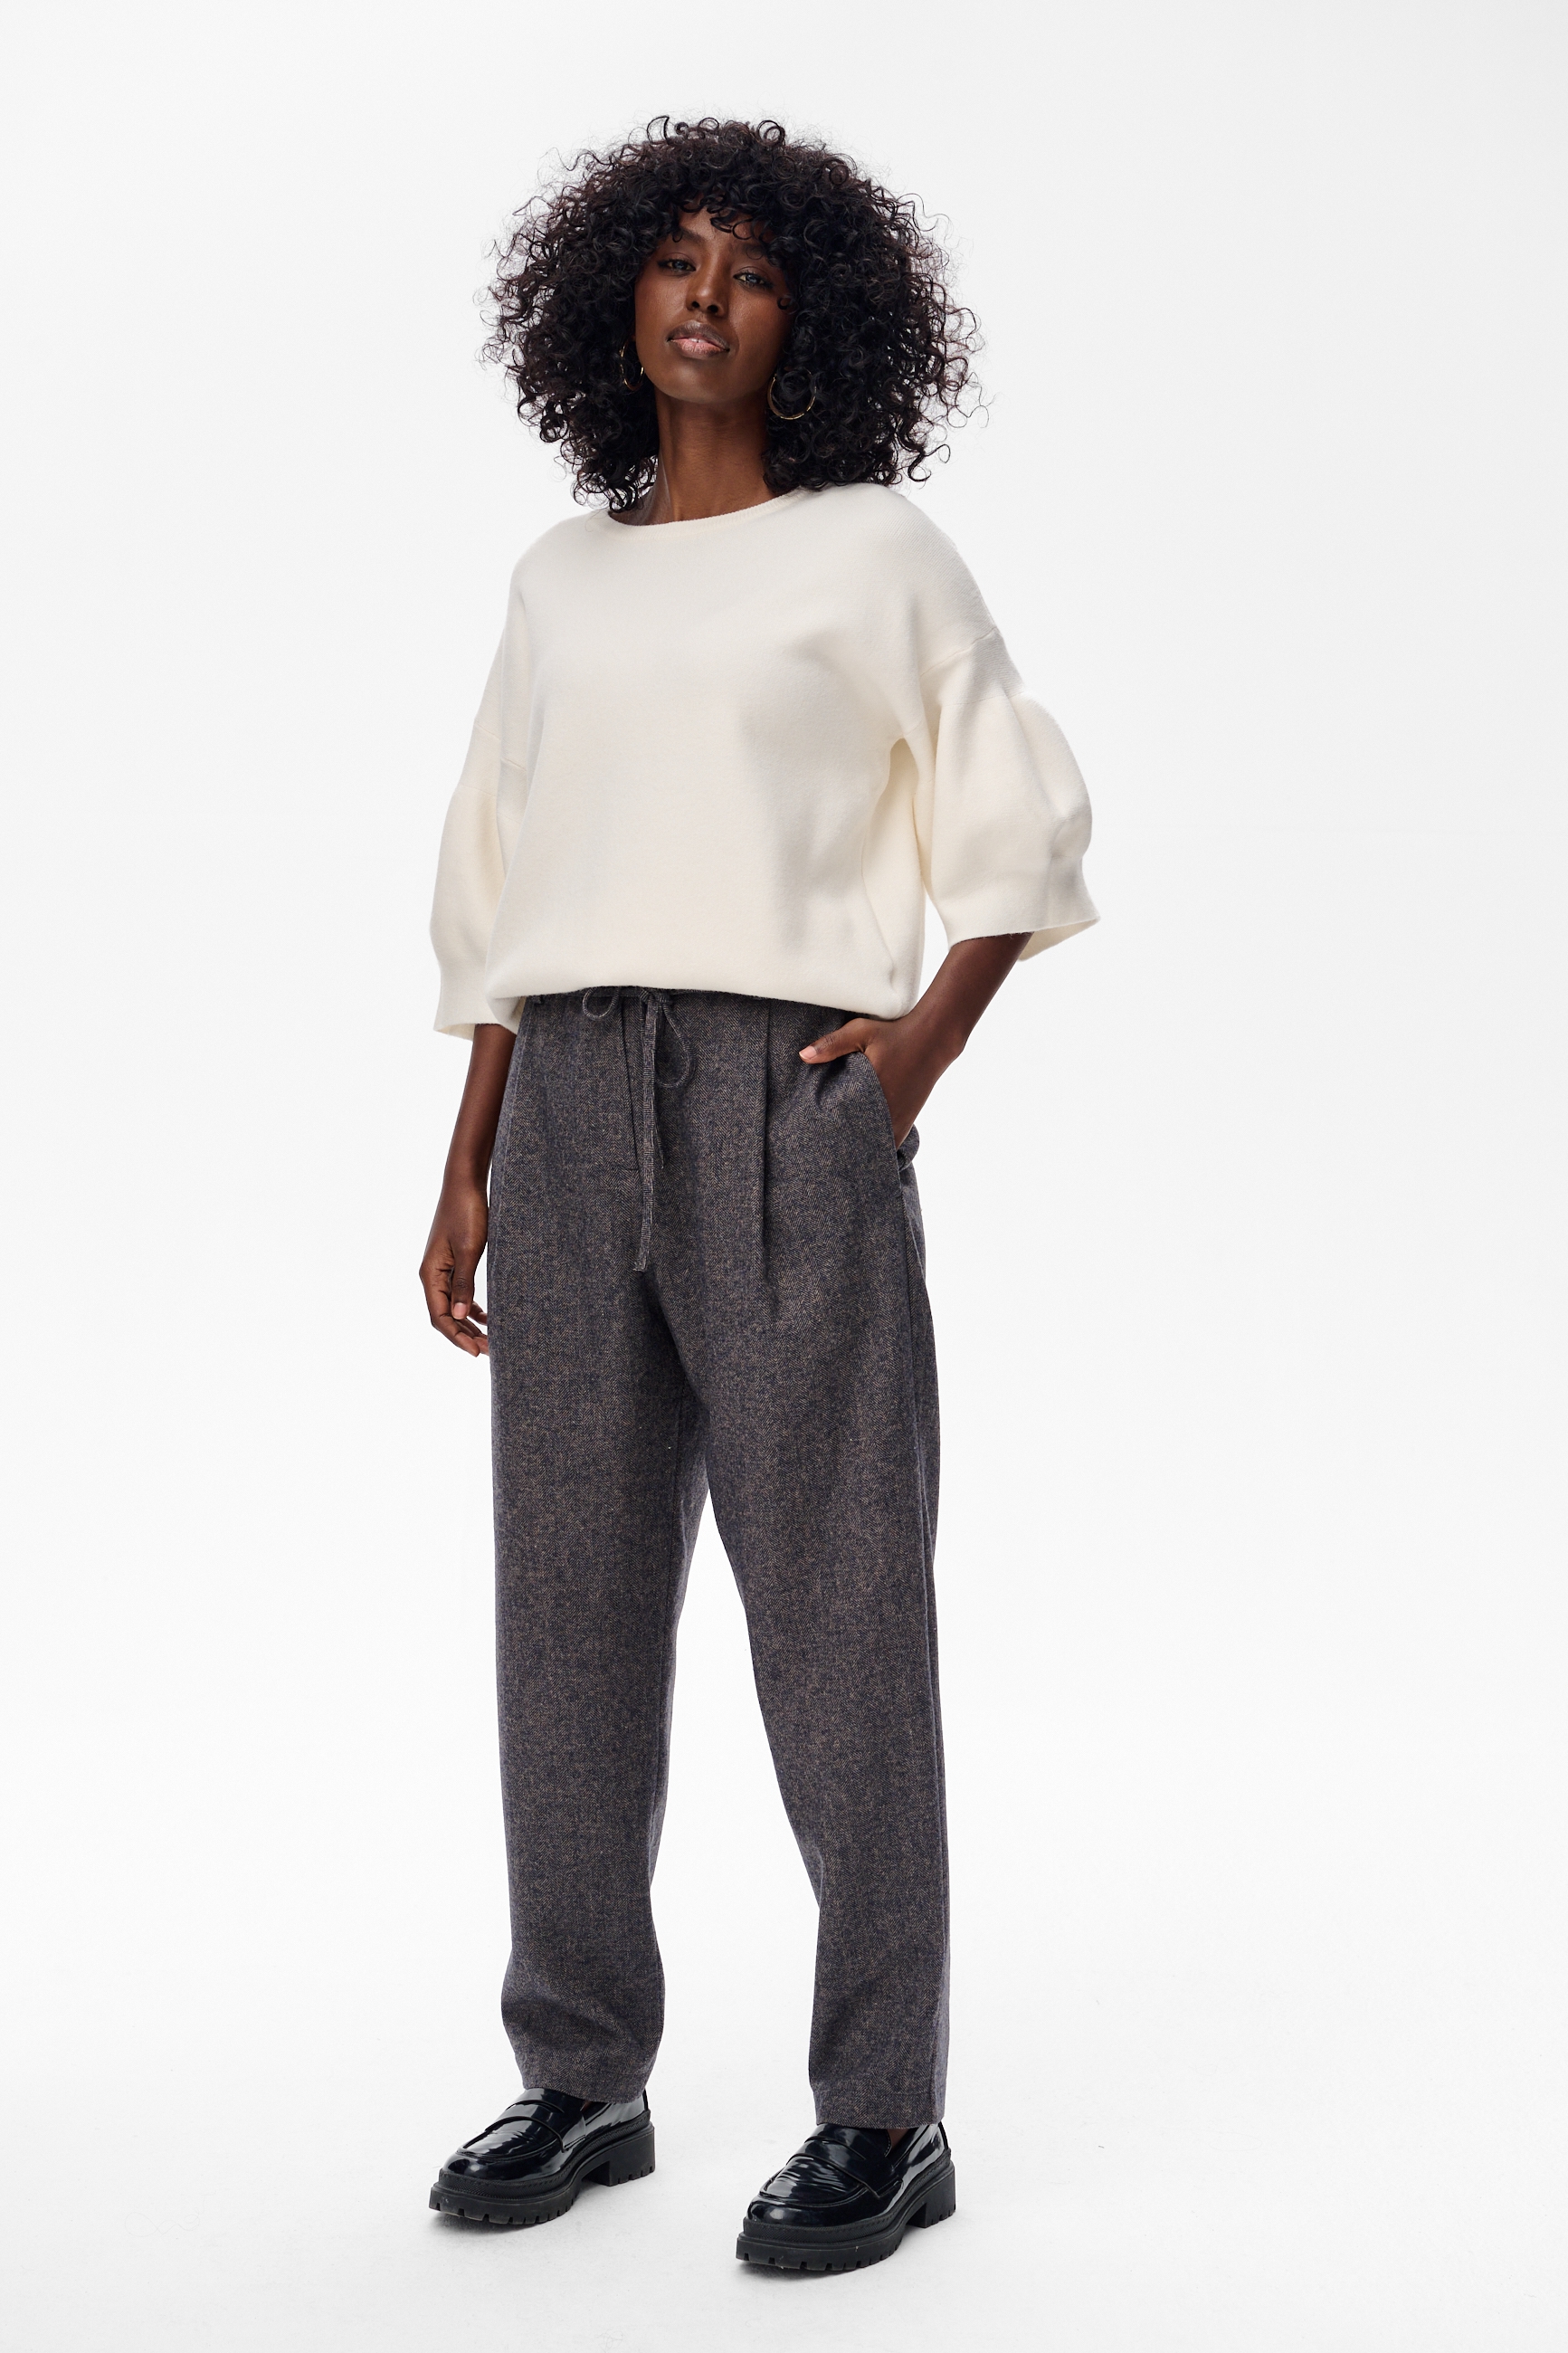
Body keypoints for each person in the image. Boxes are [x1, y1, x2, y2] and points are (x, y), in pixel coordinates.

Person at [418, 116, 1097, 2273]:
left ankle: (885, 2110)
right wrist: (469, 1153)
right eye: (675, 260)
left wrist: (910, 1062)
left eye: (755, 270)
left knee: (839, 1614)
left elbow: (1016, 816)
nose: (706, 298)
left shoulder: (875, 551)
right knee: (567, 1611)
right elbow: (502, 871)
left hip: (786, 1094)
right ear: (612, 295)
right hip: (564, 1098)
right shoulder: (562, 576)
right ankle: (581, 2068)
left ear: (818, 320)